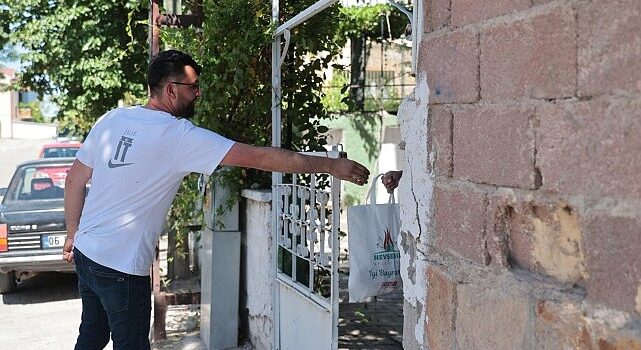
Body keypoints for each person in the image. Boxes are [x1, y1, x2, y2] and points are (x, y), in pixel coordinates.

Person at [62, 49, 370, 350]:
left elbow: (74, 179)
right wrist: (331, 165)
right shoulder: (179, 135)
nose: (197, 94)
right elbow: (260, 157)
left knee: (92, 336)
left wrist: (72, 234)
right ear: (171, 89)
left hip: (88, 254)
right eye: (193, 87)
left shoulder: (114, 119)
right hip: (121, 268)